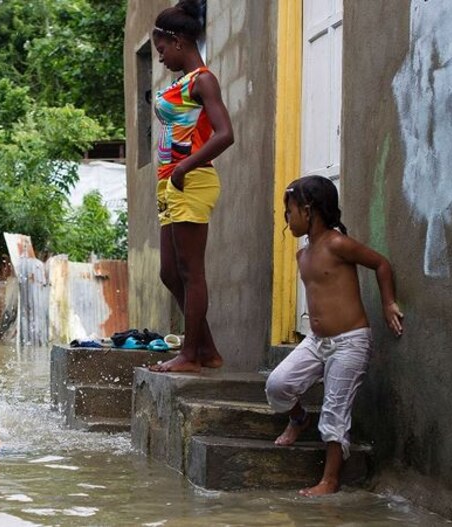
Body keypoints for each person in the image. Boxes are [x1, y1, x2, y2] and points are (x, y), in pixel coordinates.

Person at [265, 176, 404, 497]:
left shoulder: (337, 243)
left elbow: (380, 264)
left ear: (309, 210)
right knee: (277, 385)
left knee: (334, 411)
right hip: (316, 341)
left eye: (290, 210)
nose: (287, 218)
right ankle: (298, 419)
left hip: (349, 342)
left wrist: (388, 303)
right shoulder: (303, 255)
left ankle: (330, 480)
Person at [148, 0, 235, 373]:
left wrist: (185, 166)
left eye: (162, 49)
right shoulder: (181, 83)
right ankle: (207, 350)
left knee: (190, 271)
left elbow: (225, 134)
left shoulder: (204, 80)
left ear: (179, 40)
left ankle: (189, 354)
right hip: (171, 183)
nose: (162, 57)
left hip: (192, 180)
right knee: (170, 272)